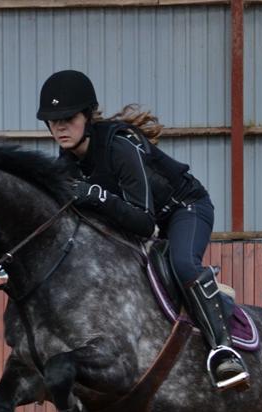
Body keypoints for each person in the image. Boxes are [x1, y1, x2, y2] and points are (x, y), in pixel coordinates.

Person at [37, 69, 249, 390]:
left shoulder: (119, 147)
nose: (60, 127)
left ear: (88, 117)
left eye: (68, 118)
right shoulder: (66, 164)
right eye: (53, 121)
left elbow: (145, 223)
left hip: (184, 209)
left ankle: (224, 350)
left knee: (183, 264)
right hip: (140, 225)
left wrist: (99, 196)